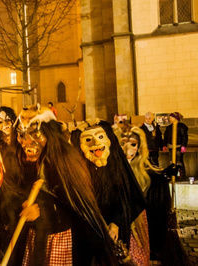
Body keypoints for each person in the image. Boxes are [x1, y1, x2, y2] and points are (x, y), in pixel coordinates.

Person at [10, 106, 117, 265]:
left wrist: (43, 211)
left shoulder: (64, 162)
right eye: (22, 134)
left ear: (49, 134)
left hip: (59, 241)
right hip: (33, 239)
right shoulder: (19, 161)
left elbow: (77, 208)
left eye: (34, 134)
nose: (26, 142)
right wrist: (23, 207)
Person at [71, 119, 149, 265]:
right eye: (88, 140)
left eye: (100, 137)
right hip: (90, 235)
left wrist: (116, 222)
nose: (95, 143)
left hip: (116, 232)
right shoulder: (80, 171)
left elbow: (128, 199)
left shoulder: (117, 168)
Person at [119, 126, 189, 264]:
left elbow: (154, 192)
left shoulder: (146, 173)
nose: (128, 150)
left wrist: (164, 175)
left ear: (139, 147)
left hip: (140, 227)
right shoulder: (113, 171)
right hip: (120, 226)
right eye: (123, 144)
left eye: (133, 144)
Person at [163, 112, 188, 178]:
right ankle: (173, 175)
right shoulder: (169, 127)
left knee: (179, 161)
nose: (170, 118)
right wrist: (164, 145)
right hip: (171, 147)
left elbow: (184, 137)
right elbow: (166, 137)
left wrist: (183, 145)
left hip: (178, 147)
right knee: (172, 161)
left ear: (176, 118)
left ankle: (181, 175)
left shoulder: (182, 126)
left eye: (171, 117)